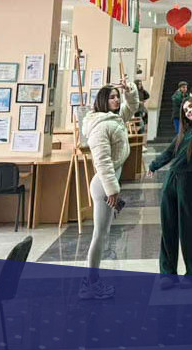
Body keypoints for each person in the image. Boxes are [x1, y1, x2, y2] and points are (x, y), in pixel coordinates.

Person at [148, 68, 192, 290]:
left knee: (190, 229)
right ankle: (168, 273)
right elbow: (169, 152)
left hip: (188, 181)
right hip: (171, 180)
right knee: (168, 227)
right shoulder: (184, 132)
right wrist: (153, 165)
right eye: (186, 110)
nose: (189, 111)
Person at [77, 78, 140, 300]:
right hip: (104, 185)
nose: (116, 100)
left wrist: (129, 90)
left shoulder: (114, 119)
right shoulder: (100, 126)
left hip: (108, 183)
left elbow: (132, 106)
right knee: (100, 234)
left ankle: (91, 281)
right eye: (112, 97)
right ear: (103, 101)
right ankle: (90, 283)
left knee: (102, 234)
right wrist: (112, 190)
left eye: (117, 96)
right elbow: (102, 162)